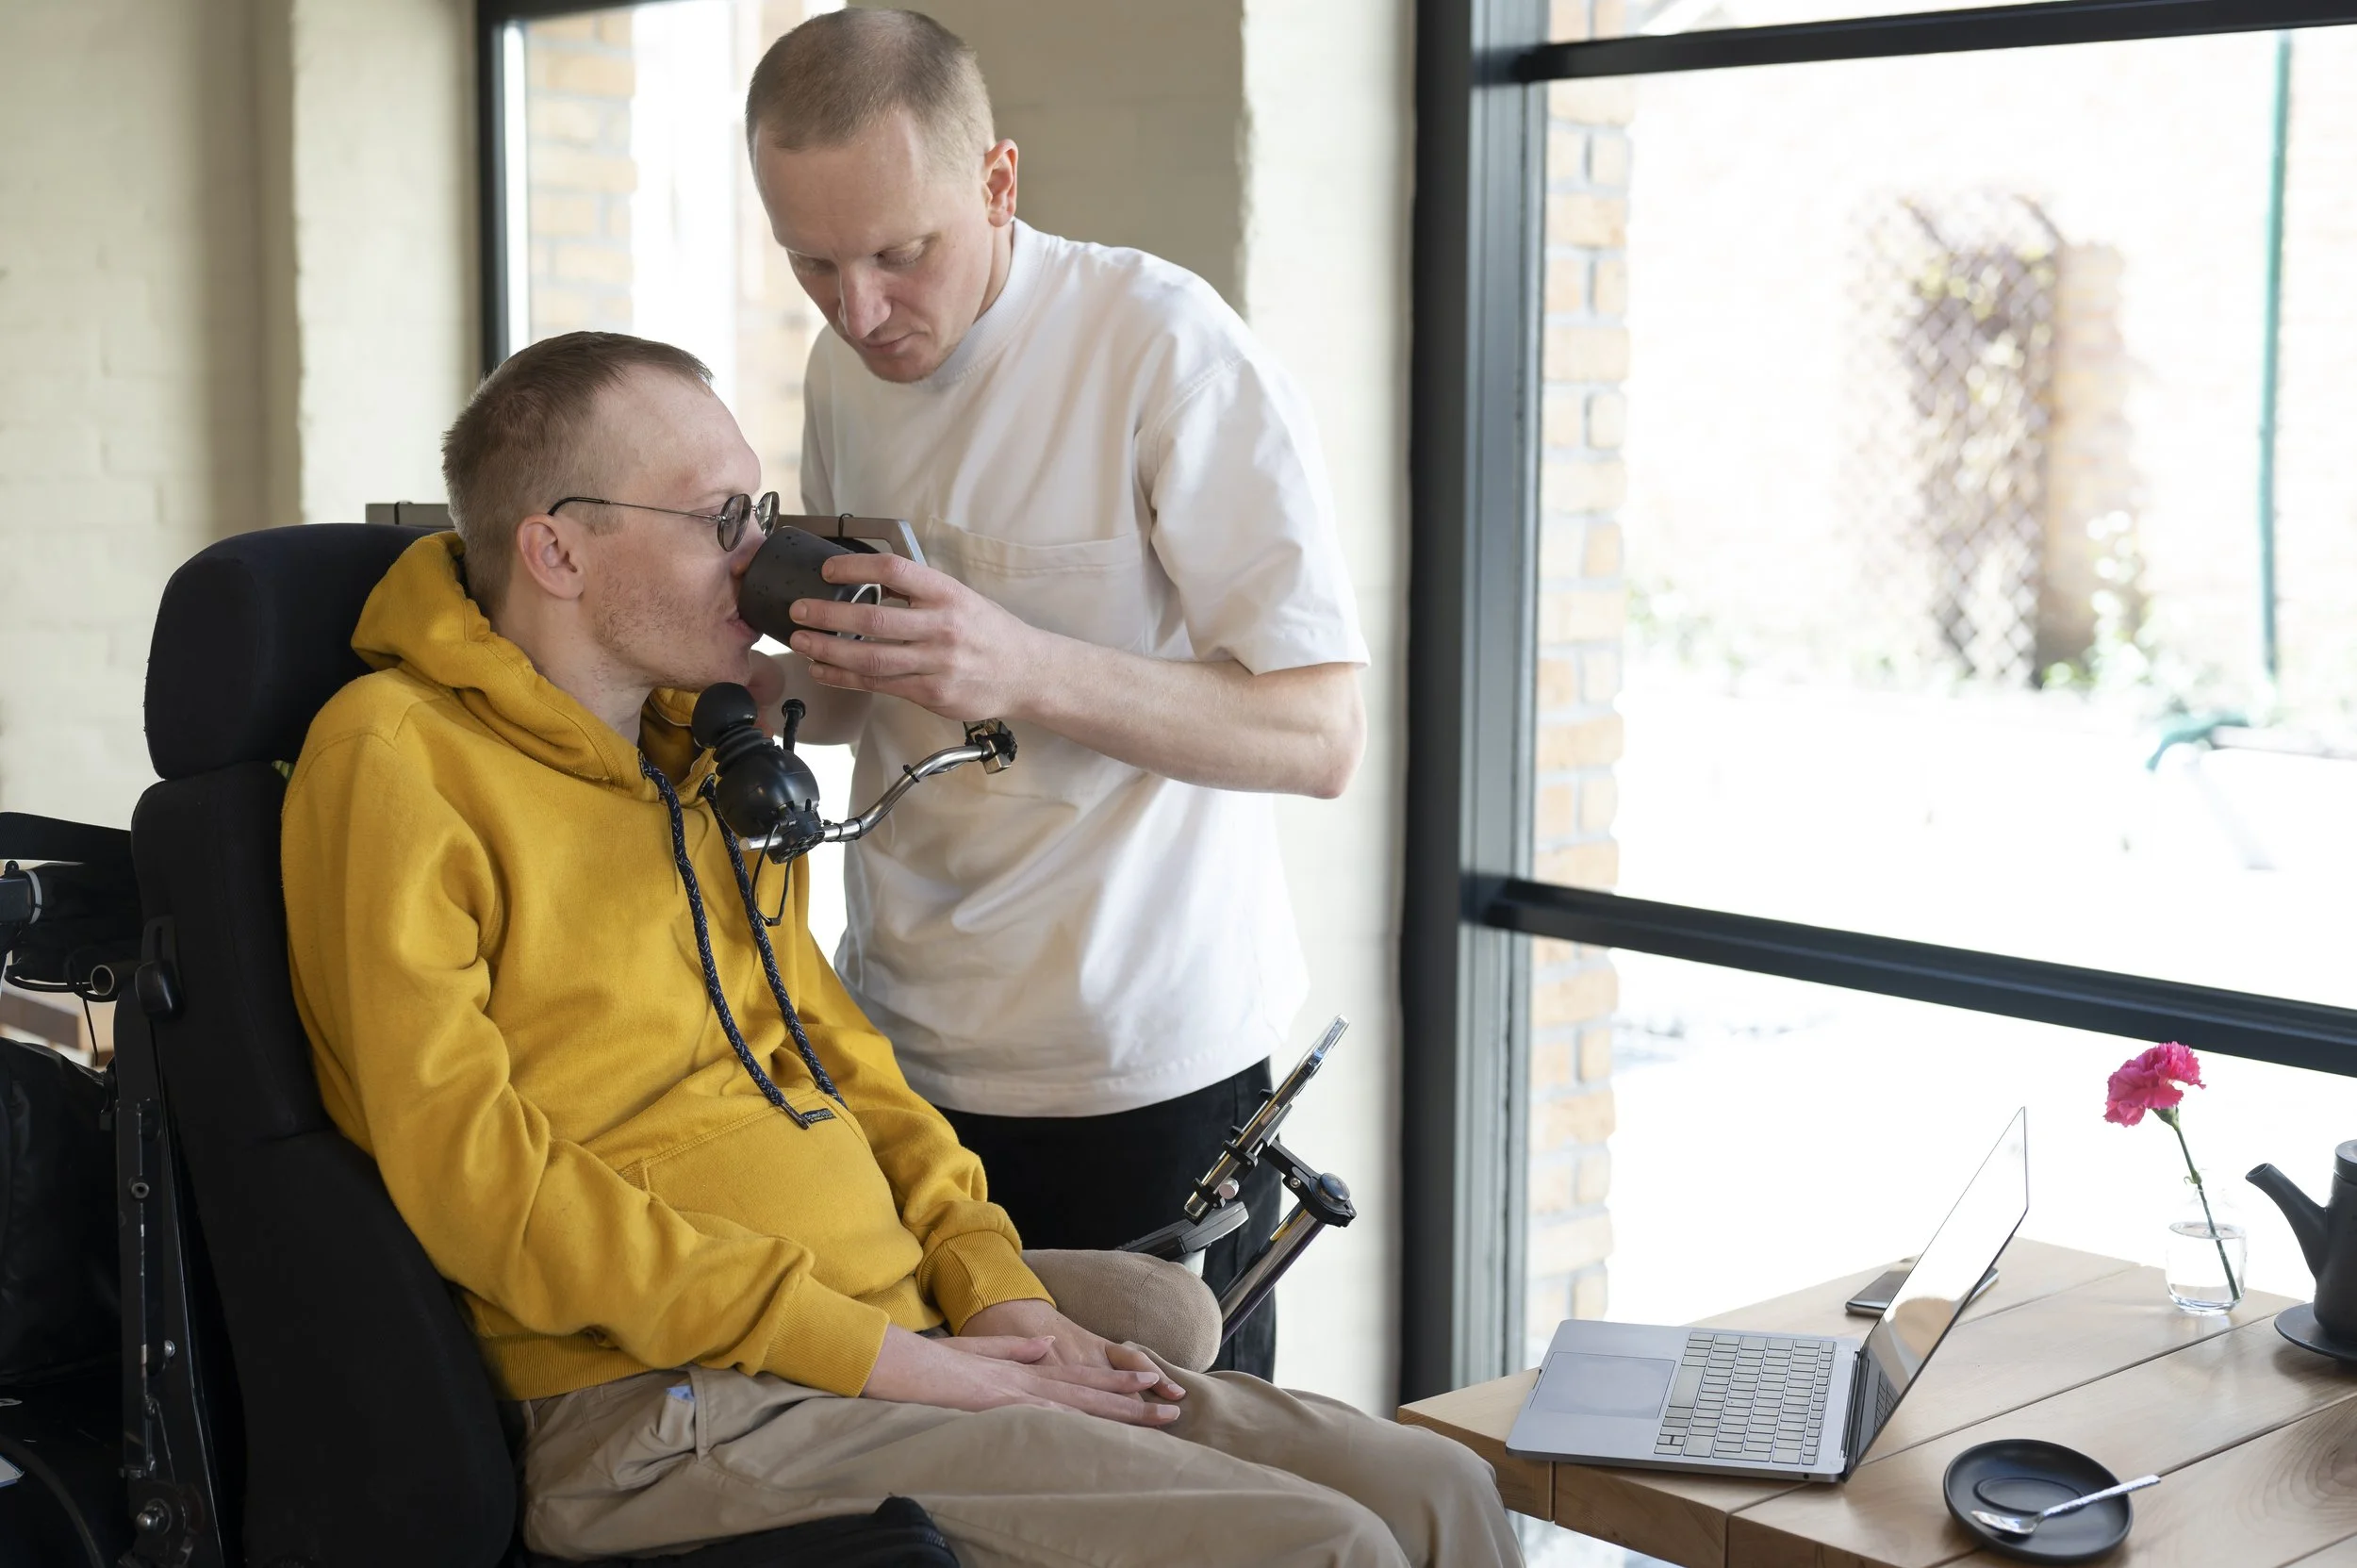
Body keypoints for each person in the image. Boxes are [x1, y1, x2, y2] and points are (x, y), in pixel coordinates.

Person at [278, 330, 1518, 1567]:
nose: (761, 558)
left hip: (890, 1344)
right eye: (720, 520)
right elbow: (478, 1179)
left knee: (1435, 1487)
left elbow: (845, 1066)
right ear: (556, 546)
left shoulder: (698, 758)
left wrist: (1003, 1300)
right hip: (667, 1405)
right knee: (1328, 1548)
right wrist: (898, 1361)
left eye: (758, 509)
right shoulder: (395, 757)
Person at [743, 8, 1366, 1380]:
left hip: (1141, 1069)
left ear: (999, 183)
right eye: (814, 264)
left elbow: (1320, 735)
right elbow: (864, 703)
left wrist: (1017, 663)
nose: (860, 311)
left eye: (902, 255)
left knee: (1183, 1495)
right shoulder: (841, 366)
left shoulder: (1162, 349)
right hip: (903, 1053)